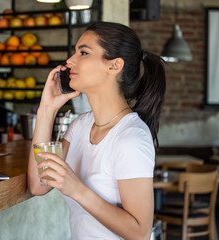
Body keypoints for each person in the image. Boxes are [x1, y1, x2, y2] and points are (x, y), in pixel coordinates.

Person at [27, 21, 166, 239]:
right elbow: (38, 184)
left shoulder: (131, 137)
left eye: (83, 52)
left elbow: (140, 233)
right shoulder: (80, 126)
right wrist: (47, 108)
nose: (70, 61)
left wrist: (76, 188)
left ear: (114, 66)